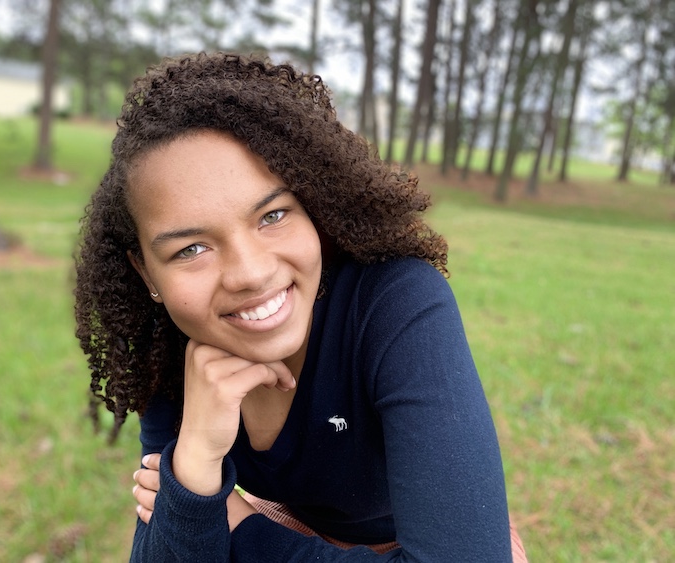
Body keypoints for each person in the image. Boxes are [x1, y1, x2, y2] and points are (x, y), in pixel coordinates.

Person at [74, 52, 527, 562]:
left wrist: (239, 531)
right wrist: (195, 464)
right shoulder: (171, 347)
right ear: (146, 274)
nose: (250, 273)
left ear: (315, 207)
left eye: (272, 215)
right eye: (191, 249)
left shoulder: (393, 302)